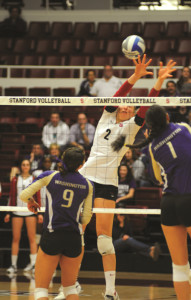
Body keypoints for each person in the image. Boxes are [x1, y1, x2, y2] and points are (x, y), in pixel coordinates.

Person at [79, 56, 176, 300]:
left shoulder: (133, 127)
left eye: (129, 107)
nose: (125, 107)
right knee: (74, 232)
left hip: (107, 184)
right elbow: (118, 96)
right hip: (85, 179)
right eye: (124, 105)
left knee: (104, 241)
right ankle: (70, 285)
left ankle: (110, 291)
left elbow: (146, 107)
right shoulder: (105, 118)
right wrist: (135, 76)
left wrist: (158, 82)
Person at [113, 104, 191, 300]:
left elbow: (158, 179)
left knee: (179, 266)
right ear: (166, 116)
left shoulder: (153, 148)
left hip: (169, 204)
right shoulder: (184, 128)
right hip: (189, 198)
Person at [19, 147, 94, 300]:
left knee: (41, 291)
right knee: (70, 289)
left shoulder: (50, 176)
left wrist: (31, 202)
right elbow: (86, 219)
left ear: (62, 160)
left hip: (52, 235)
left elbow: (23, 195)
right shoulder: (88, 184)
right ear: (81, 165)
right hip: (74, 238)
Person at [4, 159, 41, 274]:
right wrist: (8, 212)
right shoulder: (15, 179)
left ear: (30, 167)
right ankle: (13, 265)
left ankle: (34, 265)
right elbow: (11, 196)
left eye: (27, 165)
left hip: (30, 211)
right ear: (21, 167)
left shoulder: (33, 179)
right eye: (23, 165)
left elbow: (38, 196)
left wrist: (39, 213)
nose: (25, 166)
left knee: (32, 238)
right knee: (16, 238)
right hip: (17, 211)